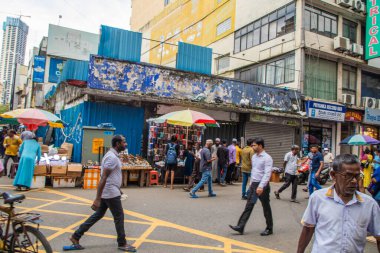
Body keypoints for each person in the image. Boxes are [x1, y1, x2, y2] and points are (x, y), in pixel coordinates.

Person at [297, 154, 380, 253]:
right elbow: (308, 230)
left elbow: (378, 237)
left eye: (357, 176)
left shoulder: (369, 204)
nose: (354, 181)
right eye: (348, 176)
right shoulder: (318, 198)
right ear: (333, 175)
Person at [69, 135, 136, 252]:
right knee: (119, 217)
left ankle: (76, 236)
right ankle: (122, 243)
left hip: (110, 190)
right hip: (110, 192)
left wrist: (119, 190)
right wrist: (97, 198)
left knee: (98, 215)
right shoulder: (112, 158)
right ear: (117, 144)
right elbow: (103, 178)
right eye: (124, 142)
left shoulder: (113, 156)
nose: (126, 144)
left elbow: (110, 177)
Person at [229, 137, 274, 236]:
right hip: (254, 185)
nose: (252, 147)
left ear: (260, 146)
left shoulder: (267, 158)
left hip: (263, 186)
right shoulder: (254, 157)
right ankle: (240, 226)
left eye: (254, 145)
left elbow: (267, 174)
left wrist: (261, 186)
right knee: (249, 205)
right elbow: (254, 171)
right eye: (252, 145)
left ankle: (269, 228)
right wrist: (251, 184)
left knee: (266, 206)